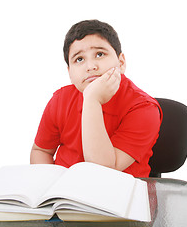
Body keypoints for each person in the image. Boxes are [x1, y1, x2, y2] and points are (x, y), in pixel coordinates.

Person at [30, 19, 162, 177]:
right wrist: (48, 185)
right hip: (64, 192)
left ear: (121, 63)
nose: (90, 66)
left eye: (100, 54)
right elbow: (41, 151)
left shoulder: (144, 108)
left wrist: (92, 100)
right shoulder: (60, 100)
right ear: (69, 72)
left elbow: (102, 172)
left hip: (117, 193)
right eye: (79, 59)